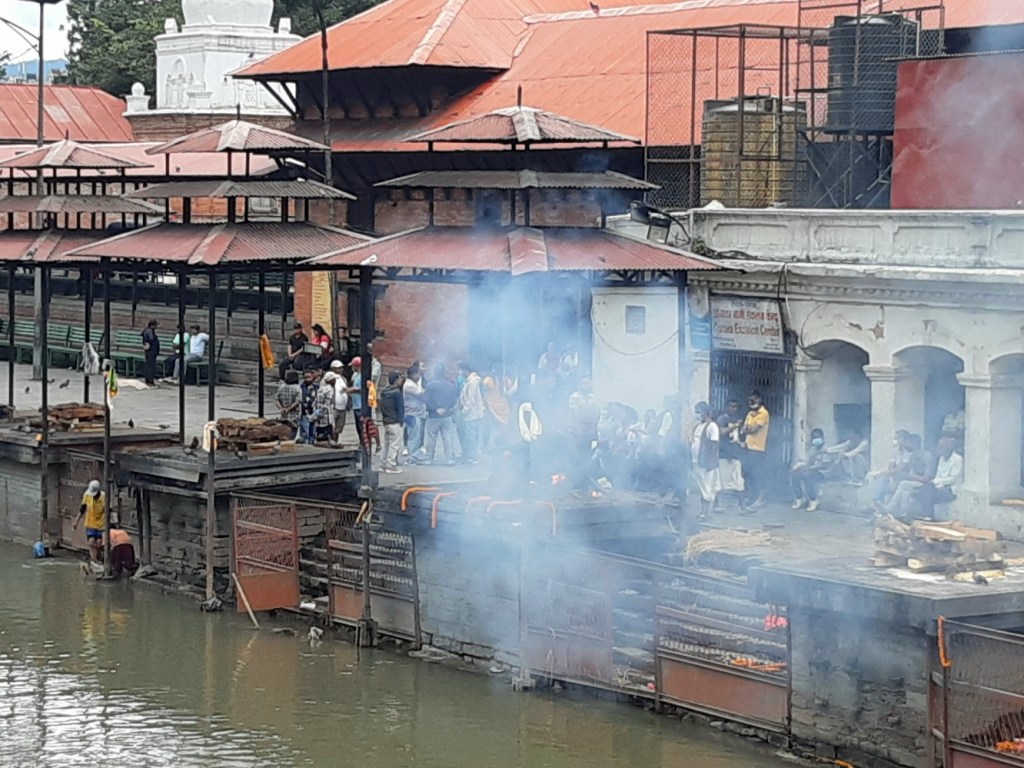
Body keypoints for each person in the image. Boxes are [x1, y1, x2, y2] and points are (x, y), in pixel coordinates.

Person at [885, 434, 936, 521]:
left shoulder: (927, 456)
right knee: (905, 493)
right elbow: (911, 473)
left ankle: (889, 508)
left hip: (926, 485)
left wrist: (911, 477)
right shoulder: (912, 456)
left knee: (903, 484)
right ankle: (902, 515)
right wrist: (909, 476)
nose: (906, 444)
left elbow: (927, 477)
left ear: (913, 443)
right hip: (914, 483)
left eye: (908, 442)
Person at [568, 377, 601, 493]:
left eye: (588, 383)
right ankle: (577, 483)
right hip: (578, 432)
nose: (586, 385)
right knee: (578, 457)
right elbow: (574, 414)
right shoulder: (574, 397)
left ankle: (587, 482)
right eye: (584, 383)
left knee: (588, 456)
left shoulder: (593, 397)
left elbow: (596, 412)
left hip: (590, 432)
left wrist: (593, 425)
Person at [740, 390, 771, 509]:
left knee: (758, 474)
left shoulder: (763, 413)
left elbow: (753, 430)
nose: (752, 402)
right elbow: (744, 429)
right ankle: (752, 496)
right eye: (750, 400)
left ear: (759, 399)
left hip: (758, 448)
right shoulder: (750, 414)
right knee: (748, 474)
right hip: (748, 447)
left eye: (754, 399)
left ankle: (762, 498)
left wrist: (748, 429)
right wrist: (748, 429)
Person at [868, 430, 912, 512]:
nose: (895, 441)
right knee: (881, 479)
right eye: (894, 438)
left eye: (897, 438)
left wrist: (878, 473)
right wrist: (890, 479)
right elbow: (891, 467)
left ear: (904, 439)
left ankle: (876, 504)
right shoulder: (896, 451)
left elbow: (899, 469)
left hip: (904, 477)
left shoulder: (909, 453)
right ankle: (876, 503)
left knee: (881, 478)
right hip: (894, 477)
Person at [423, 363, 458, 465]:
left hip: (433, 415)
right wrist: (446, 408)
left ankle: (429, 458)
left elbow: (426, 399)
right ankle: (449, 458)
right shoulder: (450, 386)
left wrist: (435, 409)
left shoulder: (430, 385)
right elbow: (454, 400)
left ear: (434, 372)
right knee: (447, 437)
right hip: (447, 415)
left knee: (431, 438)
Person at [691, 402, 721, 517]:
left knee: (707, 488)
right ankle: (704, 511)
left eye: (698, 411)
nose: (696, 414)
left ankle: (705, 512)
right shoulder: (698, 426)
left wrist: (711, 462)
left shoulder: (712, 426)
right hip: (696, 461)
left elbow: (714, 445)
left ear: (705, 412)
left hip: (706, 462)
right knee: (701, 487)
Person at [791, 428, 828, 511]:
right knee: (795, 473)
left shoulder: (826, 449)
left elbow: (823, 465)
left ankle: (813, 500)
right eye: (814, 437)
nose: (816, 439)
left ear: (822, 437)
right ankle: (799, 498)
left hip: (822, 472)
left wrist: (808, 467)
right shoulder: (812, 449)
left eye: (817, 437)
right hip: (811, 470)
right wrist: (801, 465)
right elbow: (808, 461)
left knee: (807, 475)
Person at [456, 362, 485, 464]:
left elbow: (470, 400)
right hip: (472, 414)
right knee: (470, 436)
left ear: (466, 370)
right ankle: (469, 455)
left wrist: (464, 412)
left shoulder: (472, 382)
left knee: (471, 436)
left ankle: (473, 457)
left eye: (461, 370)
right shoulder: (470, 381)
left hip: (472, 414)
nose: (460, 372)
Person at [716, 412, 745, 506]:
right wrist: (735, 426)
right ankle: (716, 505)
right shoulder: (722, 419)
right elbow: (721, 432)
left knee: (739, 481)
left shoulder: (736, 420)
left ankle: (743, 507)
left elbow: (735, 438)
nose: (735, 409)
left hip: (735, 456)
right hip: (723, 456)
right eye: (732, 407)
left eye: (736, 407)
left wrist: (740, 443)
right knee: (719, 481)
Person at [379, 370, 406, 473]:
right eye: (399, 379)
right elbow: (400, 408)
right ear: (396, 380)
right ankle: (391, 465)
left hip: (386, 421)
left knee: (386, 444)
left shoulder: (383, 392)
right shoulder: (397, 393)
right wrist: (401, 420)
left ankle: (383, 464)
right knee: (394, 445)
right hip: (395, 421)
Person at [74, 480, 105, 563]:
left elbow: (107, 510)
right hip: (90, 522)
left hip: (101, 523)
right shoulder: (87, 495)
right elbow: (82, 509)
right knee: (91, 542)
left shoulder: (103, 497)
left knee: (99, 543)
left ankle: (99, 557)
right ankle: (94, 560)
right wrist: (76, 521)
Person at [403, 363, 427, 461]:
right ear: (413, 374)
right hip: (412, 414)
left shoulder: (414, 383)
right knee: (413, 436)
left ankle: (415, 456)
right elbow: (422, 394)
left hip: (416, 413)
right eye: (418, 374)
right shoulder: (409, 385)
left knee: (416, 435)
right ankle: (411, 457)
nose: (419, 376)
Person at [276, 370, 303, 437]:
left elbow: (277, 400)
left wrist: (281, 408)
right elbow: (297, 401)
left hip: (283, 415)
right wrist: (288, 409)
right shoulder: (297, 388)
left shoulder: (281, 387)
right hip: (294, 416)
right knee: (292, 434)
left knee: (284, 433)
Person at [329, 360, 351, 442]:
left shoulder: (343, 379)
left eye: (341, 368)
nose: (340, 369)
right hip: (334, 407)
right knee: (332, 426)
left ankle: (336, 441)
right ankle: (332, 441)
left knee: (339, 427)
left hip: (342, 407)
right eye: (338, 368)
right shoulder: (330, 378)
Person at [298, 368, 318, 443]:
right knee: (304, 431)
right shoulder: (301, 387)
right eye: (305, 377)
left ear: (312, 377)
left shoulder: (316, 387)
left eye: (309, 377)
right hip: (304, 412)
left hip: (314, 411)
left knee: (313, 430)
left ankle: (311, 441)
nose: (307, 379)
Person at [141, 319, 160, 387]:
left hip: (148, 350)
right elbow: (151, 339)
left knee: (149, 365)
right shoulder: (150, 331)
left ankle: (148, 379)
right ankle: (150, 380)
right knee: (151, 366)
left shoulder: (146, 331)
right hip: (151, 351)